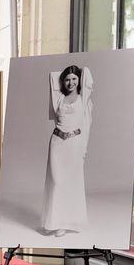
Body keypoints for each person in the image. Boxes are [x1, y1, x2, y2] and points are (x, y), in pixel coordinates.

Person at [41, 64, 93, 237]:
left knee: (70, 183)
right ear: (62, 81)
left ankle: (65, 223)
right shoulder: (59, 98)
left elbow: (87, 126)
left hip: (74, 144)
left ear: (80, 80)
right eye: (67, 79)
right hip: (57, 143)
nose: (71, 82)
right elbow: (53, 77)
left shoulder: (84, 99)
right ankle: (52, 222)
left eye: (74, 79)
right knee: (56, 182)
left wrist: (84, 148)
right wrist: (65, 75)